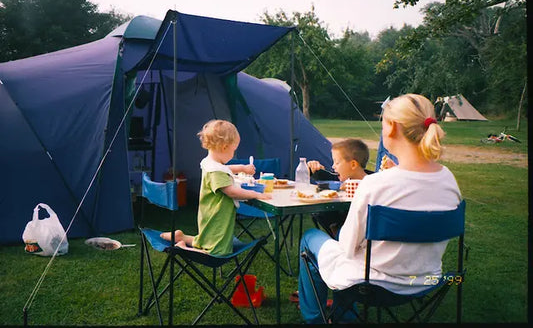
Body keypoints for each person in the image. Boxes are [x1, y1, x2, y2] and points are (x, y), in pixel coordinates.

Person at [298, 94, 462, 323]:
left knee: (310, 238)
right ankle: (342, 315)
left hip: (373, 283)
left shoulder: (375, 184)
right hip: (425, 280)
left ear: (392, 127)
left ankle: (316, 319)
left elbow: (346, 248)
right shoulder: (449, 181)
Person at [160, 119, 271, 256]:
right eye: (233, 151)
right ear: (224, 147)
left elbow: (225, 169)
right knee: (216, 252)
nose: (233, 155)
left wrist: (242, 168)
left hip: (210, 213)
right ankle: (183, 247)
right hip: (217, 218)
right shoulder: (216, 171)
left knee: (207, 240)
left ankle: (181, 237)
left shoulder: (210, 163)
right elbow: (232, 192)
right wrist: (256, 194)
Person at [307, 139, 372, 238]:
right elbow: (326, 179)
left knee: (310, 235)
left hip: (358, 235)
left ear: (353, 164)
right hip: (345, 234)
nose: (333, 166)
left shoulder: (373, 183)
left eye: (337, 163)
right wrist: (313, 169)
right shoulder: (342, 181)